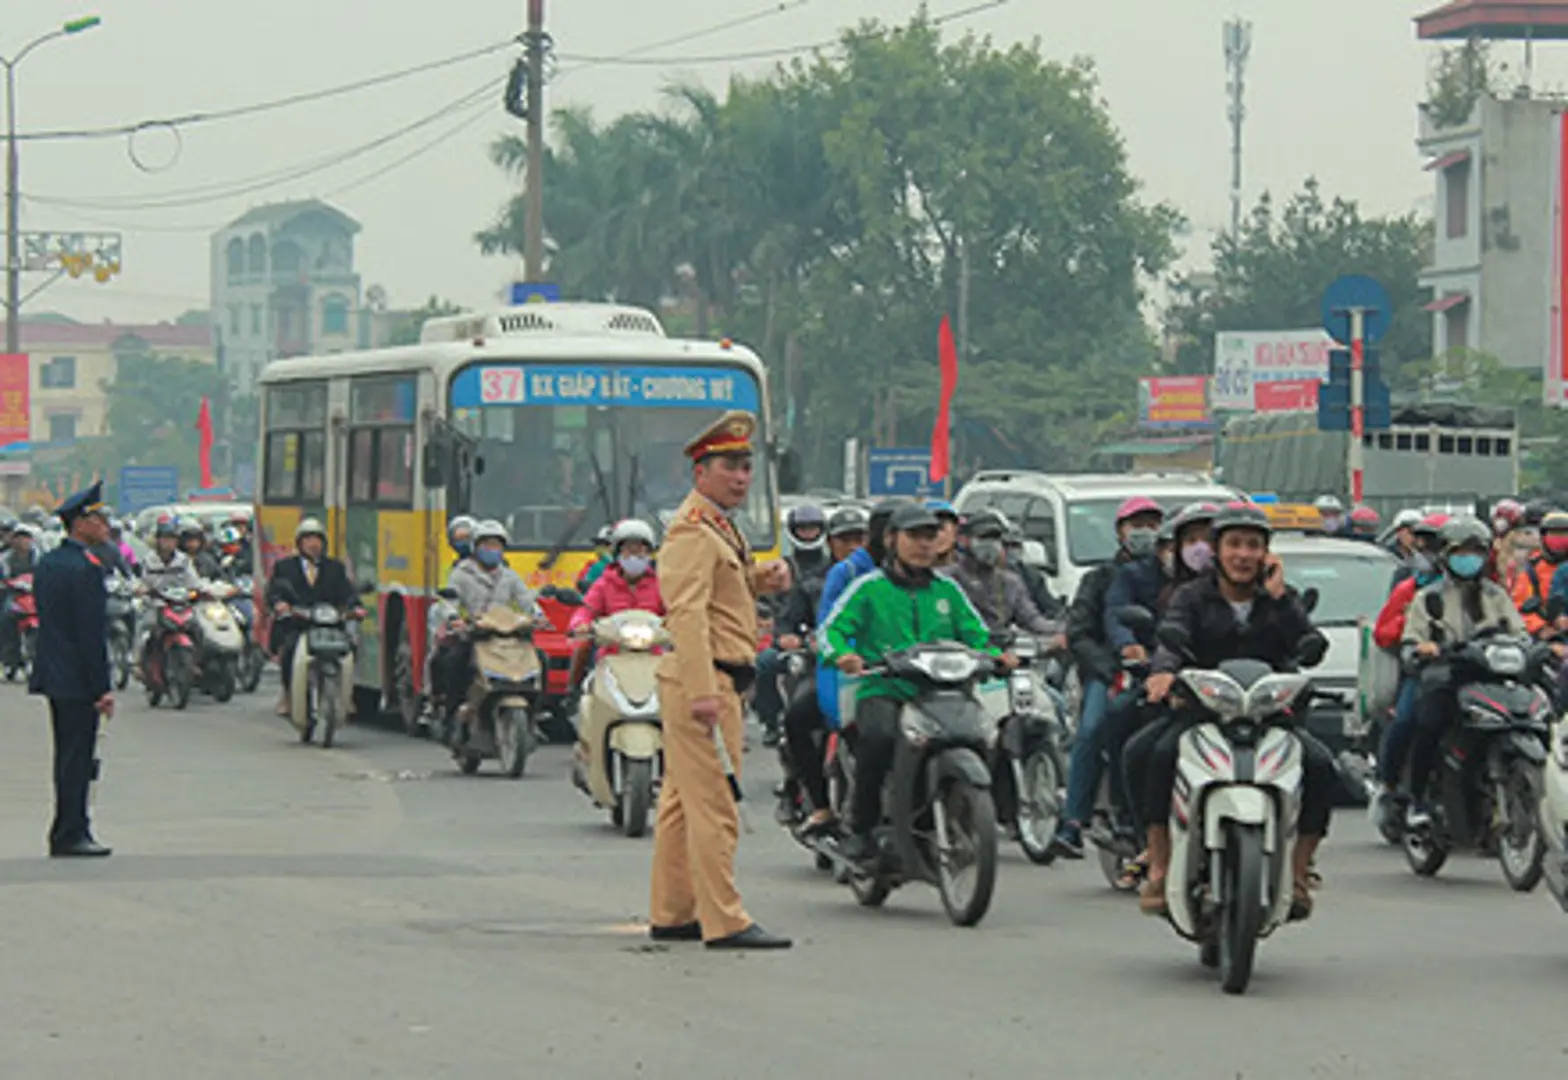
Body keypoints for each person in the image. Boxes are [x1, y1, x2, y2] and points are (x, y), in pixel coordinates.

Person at [1130, 502, 1333, 919]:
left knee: (1321, 764)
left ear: (1267, 554)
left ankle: (1298, 871)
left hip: (1269, 715)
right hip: (1201, 711)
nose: (1244, 555)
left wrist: (1280, 601)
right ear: (1218, 550)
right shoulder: (1191, 596)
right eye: (1235, 544)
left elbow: (1309, 646)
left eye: (1254, 545)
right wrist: (1163, 674)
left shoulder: (1280, 599)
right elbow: (1172, 639)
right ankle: (1158, 862)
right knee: (1146, 754)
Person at [648, 409, 793, 949]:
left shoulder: (717, 526)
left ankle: (674, 910)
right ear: (700, 472)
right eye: (729, 466)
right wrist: (704, 693)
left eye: (746, 467)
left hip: (712, 676)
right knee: (716, 805)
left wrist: (761, 579)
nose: (740, 477)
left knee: (682, 803)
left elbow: (722, 589)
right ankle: (725, 919)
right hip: (704, 679)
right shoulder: (690, 530)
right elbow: (686, 612)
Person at [820, 503, 1010, 865]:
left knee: (983, 735)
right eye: (914, 537)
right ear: (892, 539)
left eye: (930, 536)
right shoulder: (869, 588)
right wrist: (843, 655)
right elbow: (831, 631)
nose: (924, 545)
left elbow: (976, 634)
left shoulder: (948, 591)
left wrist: (995, 655)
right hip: (885, 690)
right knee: (877, 741)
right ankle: (861, 830)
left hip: (944, 692)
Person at [1052, 495, 1165, 857]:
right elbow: (1080, 634)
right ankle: (1073, 821)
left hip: (1161, 671)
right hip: (1109, 671)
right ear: (1120, 532)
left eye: (1152, 525)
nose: (1145, 533)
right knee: (1092, 729)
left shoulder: (1170, 578)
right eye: (1137, 525)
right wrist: (1110, 667)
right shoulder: (1099, 579)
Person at [1402, 518, 1528, 829]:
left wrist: (1532, 647)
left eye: (1475, 551)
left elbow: (1520, 633)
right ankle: (1417, 800)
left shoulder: (1496, 596)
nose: (1468, 558)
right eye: (1461, 551)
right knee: (1428, 724)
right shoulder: (1429, 597)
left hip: (1491, 678)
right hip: (1447, 677)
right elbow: (1411, 643)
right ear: (1445, 554)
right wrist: (1425, 648)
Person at [29, 482, 116, 857]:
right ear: (80, 524)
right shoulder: (84, 569)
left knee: (67, 755)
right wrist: (102, 687)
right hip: (78, 679)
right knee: (78, 759)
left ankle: (67, 828)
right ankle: (71, 832)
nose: (105, 525)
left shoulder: (49, 563)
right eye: (98, 519)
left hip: (54, 673)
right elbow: (88, 635)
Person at [775, 505, 870, 831]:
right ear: (831, 543)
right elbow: (788, 622)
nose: (854, 546)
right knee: (796, 719)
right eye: (846, 539)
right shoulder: (815, 583)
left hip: (877, 672)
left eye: (860, 538)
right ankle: (816, 801)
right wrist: (790, 638)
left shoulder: (885, 580)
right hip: (826, 670)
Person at [1369, 512, 1448, 830]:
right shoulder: (1409, 589)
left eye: (1436, 545)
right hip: (1421, 671)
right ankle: (1389, 785)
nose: (1427, 551)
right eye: (1423, 544)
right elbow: (1383, 632)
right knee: (1406, 719)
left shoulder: (1481, 591)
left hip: (1463, 670)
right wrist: (1415, 631)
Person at [430, 519, 542, 737]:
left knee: (540, 660)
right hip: (474, 635)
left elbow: (526, 599)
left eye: (496, 545)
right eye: (487, 545)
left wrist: (537, 615)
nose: (492, 550)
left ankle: (535, 716)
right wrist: (454, 618)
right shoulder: (461, 574)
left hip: (506, 636)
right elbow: (447, 601)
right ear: (475, 548)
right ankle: (452, 718)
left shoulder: (509, 576)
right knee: (454, 662)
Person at [814, 500, 904, 737]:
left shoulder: (939, 582)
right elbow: (829, 629)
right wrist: (844, 656)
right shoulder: (852, 576)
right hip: (864, 675)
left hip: (912, 677)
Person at [265, 517, 357, 717]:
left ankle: (347, 695)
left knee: (350, 647)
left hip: (329, 624)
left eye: (317, 540)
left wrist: (354, 608)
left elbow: (347, 592)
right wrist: (280, 605)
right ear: (300, 543)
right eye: (308, 540)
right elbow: (274, 592)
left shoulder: (335, 568)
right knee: (289, 649)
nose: (313, 545)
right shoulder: (285, 568)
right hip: (297, 623)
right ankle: (288, 694)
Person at [755, 504, 831, 746]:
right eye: (803, 529)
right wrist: (783, 635)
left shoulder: (838, 571)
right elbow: (773, 609)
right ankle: (772, 721)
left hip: (831, 643)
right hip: (795, 642)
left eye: (813, 528)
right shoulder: (779, 568)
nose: (808, 534)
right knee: (763, 663)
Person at [948, 509, 1057, 637]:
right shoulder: (948, 579)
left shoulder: (1010, 582)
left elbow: (1033, 620)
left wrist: (1063, 627)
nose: (990, 544)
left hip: (1002, 649)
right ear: (964, 540)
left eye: (995, 538)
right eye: (983, 537)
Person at [568, 519, 663, 634]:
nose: (634, 556)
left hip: (654, 648)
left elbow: (676, 613)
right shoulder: (603, 584)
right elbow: (586, 610)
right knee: (582, 648)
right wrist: (581, 624)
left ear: (649, 554)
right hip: (612, 647)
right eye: (628, 550)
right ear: (617, 554)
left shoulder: (662, 585)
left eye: (640, 550)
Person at [1512, 508, 1568, 636]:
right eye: (1553, 534)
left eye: (1564, 534)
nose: (1559, 539)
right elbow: (1519, 610)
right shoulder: (1531, 571)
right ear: (1543, 538)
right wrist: (1541, 629)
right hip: (1544, 637)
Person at [1002, 524, 1064, 620]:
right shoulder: (983, 575)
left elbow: (1051, 608)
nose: (1010, 550)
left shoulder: (1032, 578)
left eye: (1015, 545)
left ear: (1022, 548)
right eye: (1005, 545)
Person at [575, 524, 615, 593]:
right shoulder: (593, 566)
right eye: (598, 545)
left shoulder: (629, 567)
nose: (599, 548)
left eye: (606, 544)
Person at [927, 499, 960, 569]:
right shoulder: (908, 573)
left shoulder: (970, 567)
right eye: (931, 529)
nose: (938, 535)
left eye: (941, 527)